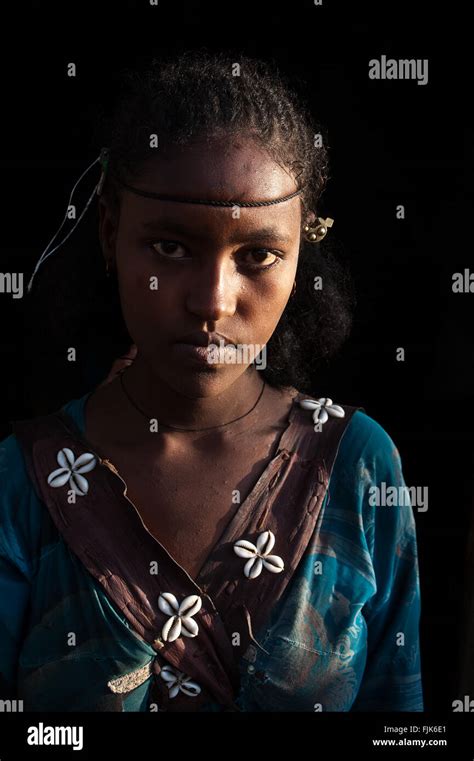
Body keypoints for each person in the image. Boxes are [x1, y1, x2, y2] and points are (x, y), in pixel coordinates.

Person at [0, 50, 423, 712]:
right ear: (111, 231)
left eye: (257, 255)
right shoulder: (22, 480)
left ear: (299, 254)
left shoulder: (358, 466)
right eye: (170, 247)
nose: (212, 301)